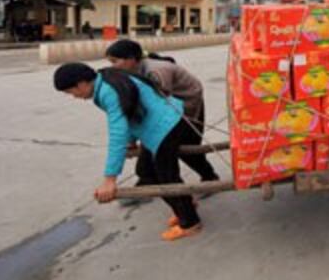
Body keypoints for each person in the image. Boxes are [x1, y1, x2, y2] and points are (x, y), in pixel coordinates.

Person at [53, 62, 202, 241]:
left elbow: (118, 131)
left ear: (81, 83)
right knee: (146, 172)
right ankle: (186, 205)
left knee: (164, 177)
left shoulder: (108, 92)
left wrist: (110, 179)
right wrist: (131, 142)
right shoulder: (106, 78)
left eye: (71, 92)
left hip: (166, 127)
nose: (74, 97)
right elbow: (131, 112)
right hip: (163, 124)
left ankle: (190, 222)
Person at [105, 40, 219, 189]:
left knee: (185, 149)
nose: (112, 66)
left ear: (131, 59)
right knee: (158, 144)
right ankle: (147, 180)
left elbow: (157, 107)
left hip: (187, 104)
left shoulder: (155, 72)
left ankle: (209, 177)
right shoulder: (132, 71)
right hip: (168, 105)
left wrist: (139, 136)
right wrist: (132, 138)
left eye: (115, 61)